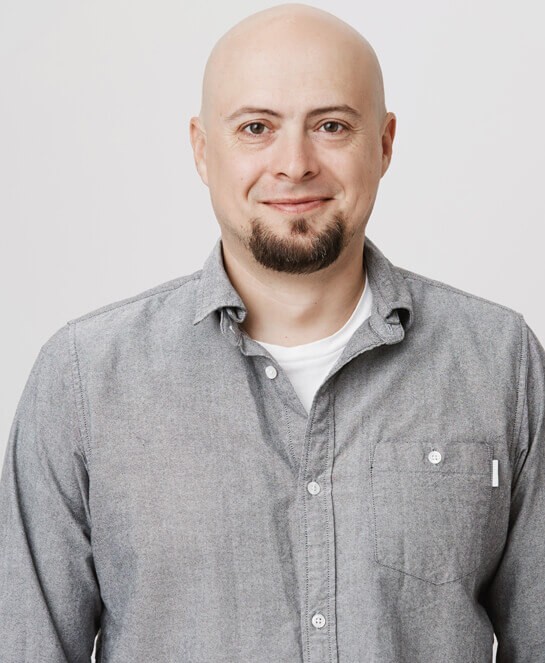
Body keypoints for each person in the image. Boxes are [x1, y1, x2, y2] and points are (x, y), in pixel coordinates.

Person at [1, 3, 544, 661]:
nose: (294, 164)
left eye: (331, 125)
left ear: (383, 144)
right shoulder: (83, 379)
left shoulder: (499, 360)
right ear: (203, 149)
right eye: (256, 127)